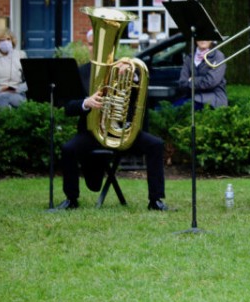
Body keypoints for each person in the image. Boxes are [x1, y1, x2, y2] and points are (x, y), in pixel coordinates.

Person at [56, 30, 168, 211]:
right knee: (68, 149)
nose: (98, 48)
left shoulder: (124, 70)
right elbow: (68, 107)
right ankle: (71, 199)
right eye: (93, 44)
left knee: (155, 144)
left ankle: (155, 200)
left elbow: (138, 101)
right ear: (88, 46)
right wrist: (86, 102)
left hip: (122, 132)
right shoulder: (80, 72)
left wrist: (134, 77)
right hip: (92, 133)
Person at [176, 39, 228, 109]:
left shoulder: (218, 56)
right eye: (200, 36)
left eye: (207, 37)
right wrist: (202, 80)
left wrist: (191, 80)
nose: (203, 39)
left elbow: (210, 82)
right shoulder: (189, 57)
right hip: (191, 98)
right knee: (165, 110)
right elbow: (182, 83)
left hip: (213, 100)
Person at [0, 28, 28, 108]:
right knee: (1, 98)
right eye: (2, 40)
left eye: (8, 39)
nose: (6, 42)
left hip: (16, 94)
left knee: (4, 97)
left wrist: (17, 89)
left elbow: (29, 81)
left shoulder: (21, 55)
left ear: (12, 40)